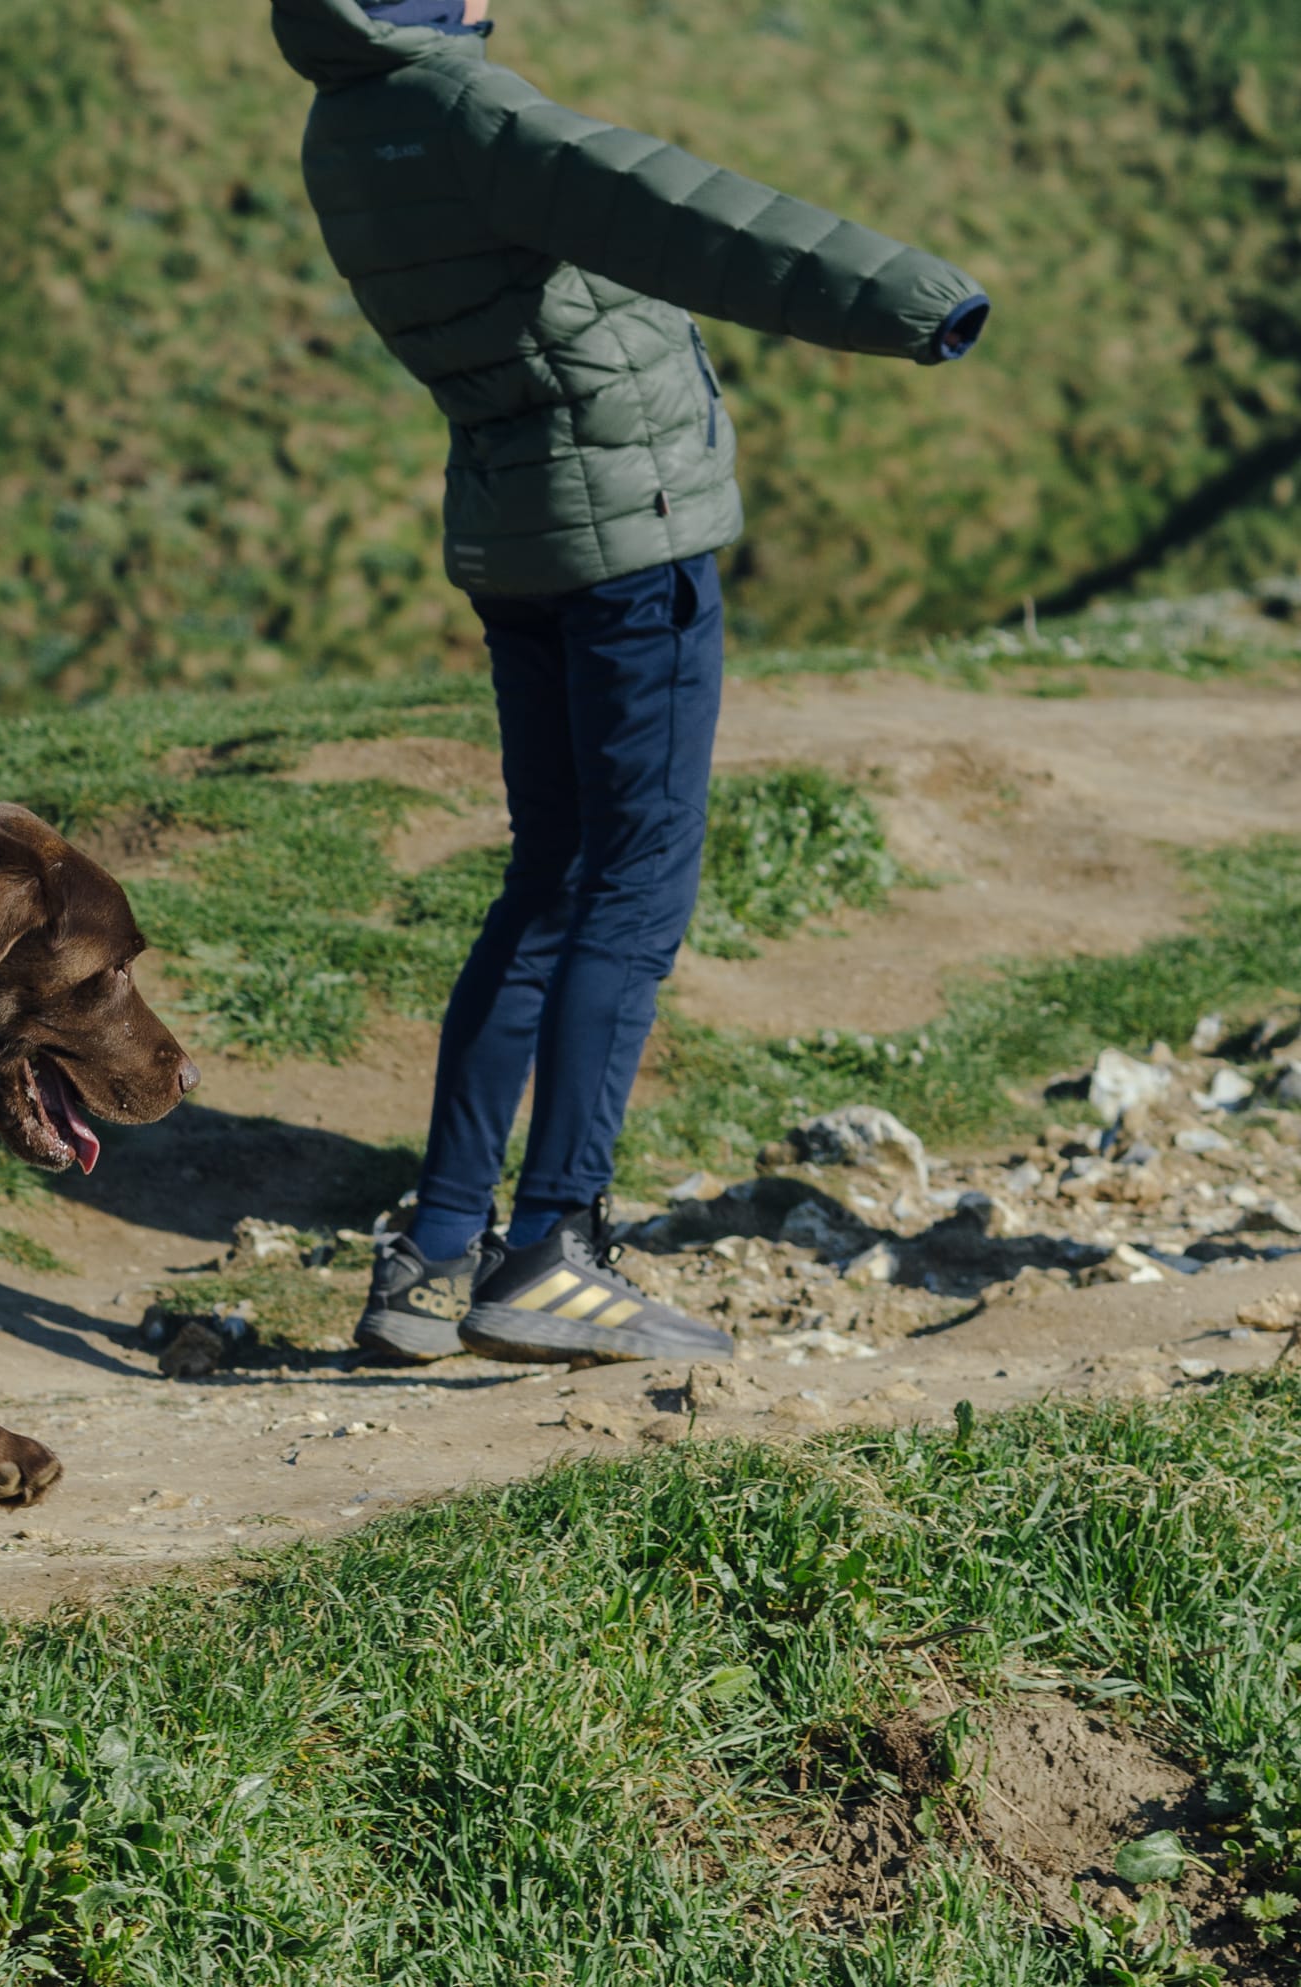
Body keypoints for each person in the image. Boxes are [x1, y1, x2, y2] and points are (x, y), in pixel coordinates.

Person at [269, 0, 991, 1365]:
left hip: (517, 527)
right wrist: (914, 298)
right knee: (633, 885)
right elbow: (692, 216)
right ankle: (554, 1246)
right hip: (623, 534)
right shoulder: (477, 115)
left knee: (548, 879)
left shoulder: (346, 120)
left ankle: (434, 1253)